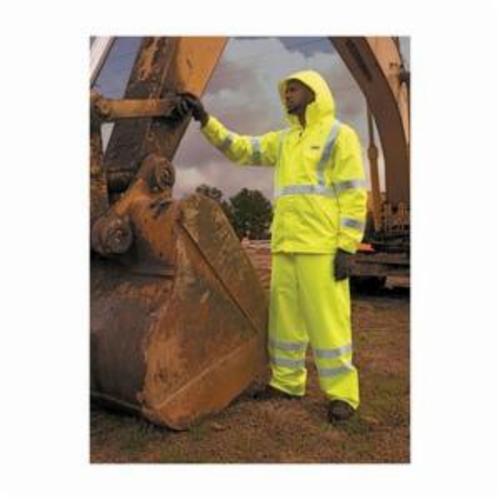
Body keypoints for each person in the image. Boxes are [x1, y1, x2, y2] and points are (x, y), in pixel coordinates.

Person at [175, 70, 367, 423]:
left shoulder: (340, 136)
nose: (287, 95)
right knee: (284, 323)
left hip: (321, 247)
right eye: (286, 90)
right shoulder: (285, 140)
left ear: (314, 93)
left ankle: (342, 394)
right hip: (286, 245)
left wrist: (347, 246)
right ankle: (287, 383)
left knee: (329, 324)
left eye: (294, 89)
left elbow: (354, 194)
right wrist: (205, 120)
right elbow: (242, 149)